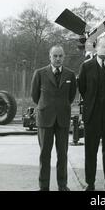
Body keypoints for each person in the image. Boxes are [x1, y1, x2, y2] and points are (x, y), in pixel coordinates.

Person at [78, 36, 105, 191]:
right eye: (102, 46)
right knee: (91, 150)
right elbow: (82, 88)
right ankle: (90, 183)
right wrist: (92, 103)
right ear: (96, 48)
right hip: (92, 115)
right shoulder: (87, 66)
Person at [31, 45, 77, 191]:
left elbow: (71, 96)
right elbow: (35, 96)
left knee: (62, 154)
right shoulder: (39, 73)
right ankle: (43, 186)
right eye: (55, 56)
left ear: (64, 57)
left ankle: (62, 185)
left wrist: (60, 107)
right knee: (45, 154)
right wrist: (48, 107)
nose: (58, 59)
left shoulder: (70, 75)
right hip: (45, 119)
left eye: (60, 56)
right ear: (50, 57)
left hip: (62, 119)